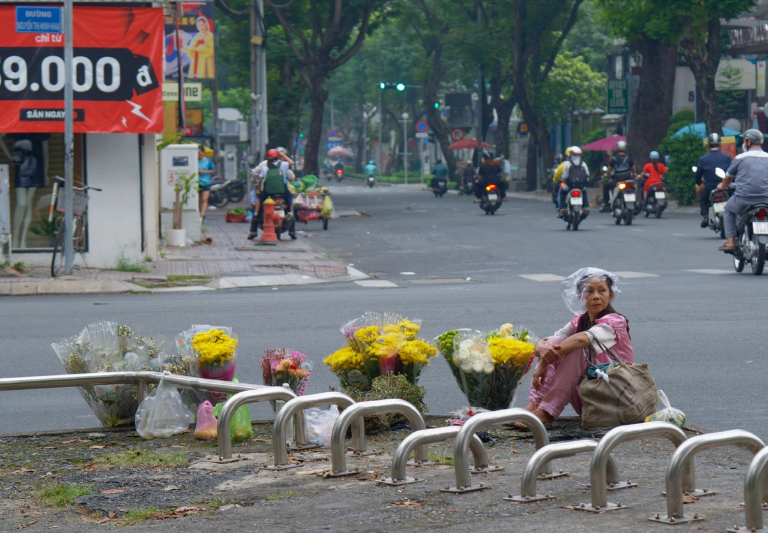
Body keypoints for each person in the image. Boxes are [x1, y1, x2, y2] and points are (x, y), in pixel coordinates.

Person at [523, 268, 634, 427]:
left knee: (580, 348)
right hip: (589, 394)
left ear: (611, 295)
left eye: (601, 291)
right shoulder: (580, 320)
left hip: (613, 396)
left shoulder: (615, 322)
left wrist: (543, 363)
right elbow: (553, 340)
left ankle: (548, 411)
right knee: (555, 341)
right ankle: (536, 404)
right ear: (580, 297)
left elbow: (582, 340)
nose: (596, 296)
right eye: (589, 291)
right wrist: (540, 346)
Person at [717, 129, 768, 252]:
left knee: (728, 209)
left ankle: (730, 242)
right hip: (766, 199)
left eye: (744, 140)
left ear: (749, 142)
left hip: (744, 199)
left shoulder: (740, 158)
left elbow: (728, 177)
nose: (743, 143)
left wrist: (722, 187)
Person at [248, 149, 294, 240]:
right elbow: (292, 164)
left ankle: (254, 229)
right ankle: (292, 230)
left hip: (268, 192)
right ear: (278, 156)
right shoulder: (283, 165)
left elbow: (260, 179)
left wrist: (258, 189)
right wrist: (284, 156)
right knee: (290, 201)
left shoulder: (264, 166)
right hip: (283, 192)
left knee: (258, 202)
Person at [695, 133, 732, 228]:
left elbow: (697, 175)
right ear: (720, 144)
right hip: (725, 187)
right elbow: (732, 173)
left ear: (708, 144)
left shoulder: (703, 159)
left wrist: (700, 182)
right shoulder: (726, 157)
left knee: (703, 200)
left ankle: (706, 217)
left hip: (709, 188)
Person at [602, 140, 635, 212]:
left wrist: (607, 175)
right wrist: (633, 174)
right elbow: (634, 170)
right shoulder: (629, 159)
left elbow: (609, 170)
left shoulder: (614, 159)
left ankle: (607, 204)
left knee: (606, 186)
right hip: (628, 180)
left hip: (617, 181)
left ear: (617, 148)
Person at [558, 146, 589, 216]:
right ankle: (585, 207)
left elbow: (564, 176)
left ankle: (562, 209)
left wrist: (563, 180)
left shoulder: (568, 164)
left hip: (570, 186)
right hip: (581, 186)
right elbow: (587, 176)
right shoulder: (583, 164)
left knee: (562, 192)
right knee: (584, 192)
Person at [197, 146, 215, 222]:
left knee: (204, 199)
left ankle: (202, 215)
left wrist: (205, 172)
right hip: (197, 182)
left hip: (205, 182)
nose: (198, 154)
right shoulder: (195, 161)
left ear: (203, 152)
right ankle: (198, 213)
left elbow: (213, 170)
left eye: (199, 152)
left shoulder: (208, 161)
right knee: (198, 200)